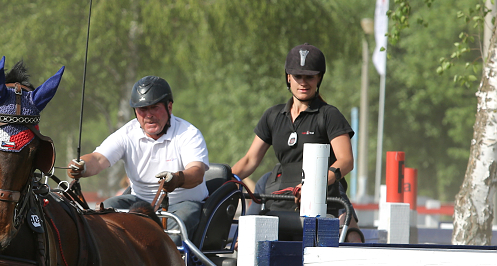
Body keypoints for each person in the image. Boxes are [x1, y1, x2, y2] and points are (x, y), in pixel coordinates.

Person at [231, 43, 362, 241]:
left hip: (326, 197)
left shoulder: (329, 115)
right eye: (298, 76)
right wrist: (223, 181)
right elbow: (249, 160)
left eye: (309, 76)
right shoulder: (273, 116)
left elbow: (346, 161)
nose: (303, 82)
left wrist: (314, 184)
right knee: (245, 243)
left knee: (352, 241)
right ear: (288, 78)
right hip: (282, 198)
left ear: (319, 78)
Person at [69, 75, 209, 244]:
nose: (148, 115)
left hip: (184, 203)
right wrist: (81, 166)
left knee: (175, 226)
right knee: (103, 211)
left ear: (169, 107)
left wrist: (177, 178)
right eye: (142, 109)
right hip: (139, 202)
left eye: (154, 107)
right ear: (135, 112)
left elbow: (197, 172)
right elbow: (98, 159)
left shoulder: (188, 133)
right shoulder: (127, 134)